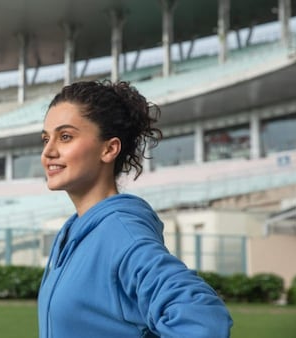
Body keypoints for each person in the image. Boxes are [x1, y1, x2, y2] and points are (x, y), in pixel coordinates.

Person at [37, 80, 232, 338]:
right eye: (45, 138)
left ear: (109, 149)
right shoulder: (72, 231)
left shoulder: (121, 233)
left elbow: (204, 321)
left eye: (65, 137)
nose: (48, 151)